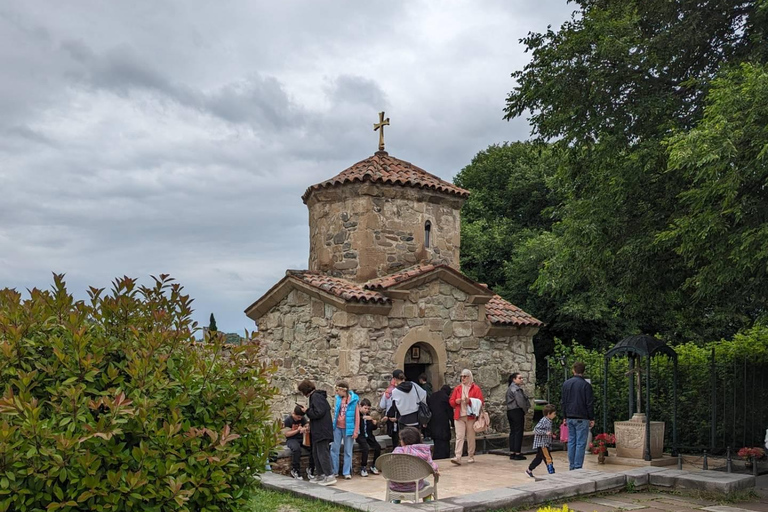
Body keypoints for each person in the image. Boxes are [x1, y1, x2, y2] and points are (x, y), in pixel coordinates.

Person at [298, 379, 336, 486]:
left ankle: (329, 475)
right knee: (316, 453)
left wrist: (307, 411)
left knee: (323, 453)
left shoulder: (316, 397)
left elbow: (318, 413)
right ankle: (321, 474)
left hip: (322, 431)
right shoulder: (316, 397)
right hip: (318, 431)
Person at [389, 426, 439, 503]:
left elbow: (389, 464)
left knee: (399, 484)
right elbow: (431, 466)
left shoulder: (397, 451)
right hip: (415, 486)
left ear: (404, 440)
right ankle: (427, 506)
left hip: (395, 486)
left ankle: (395, 505)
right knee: (427, 485)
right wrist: (436, 468)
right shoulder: (424, 451)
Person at [561, 361, 595, 470]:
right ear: (583, 371)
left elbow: (563, 401)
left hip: (570, 416)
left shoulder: (566, 384)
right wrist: (591, 417)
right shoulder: (586, 385)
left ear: (573, 370)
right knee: (580, 443)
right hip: (582, 416)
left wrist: (565, 416)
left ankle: (572, 466)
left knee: (571, 441)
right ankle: (578, 466)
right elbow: (589, 403)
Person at [449, 369, 484, 465]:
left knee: (470, 436)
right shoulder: (457, 388)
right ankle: (458, 456)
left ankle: (471, 455)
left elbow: (481, 401)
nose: (462, 378)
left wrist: (470, 401)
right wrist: (456, 401)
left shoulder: (475, 388)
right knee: (459, 436)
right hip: (459, 416)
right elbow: (451, 402)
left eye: (465, 376)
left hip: (470, 416)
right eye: (461, 376)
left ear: (469, 377)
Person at [330, 381, 360, 480]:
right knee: (334, 449)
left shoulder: (354, 400)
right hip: (337, 427)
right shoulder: (338, 399)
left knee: (348, 450)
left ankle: (346, 471)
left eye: (338, 390)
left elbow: (357, 416)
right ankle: (334, 470)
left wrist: (356, 430)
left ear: (343, 390)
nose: (337, 392)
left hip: (349, 428)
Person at [283, 405, 315, 480]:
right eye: (298, 417)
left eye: (301, 417)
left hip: (302, 438)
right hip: (292, 439)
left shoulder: (303, 419)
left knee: (313, 448)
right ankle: (295, 470)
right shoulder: (288, 420)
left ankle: (311, 469)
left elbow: (307, 425)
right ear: (294, 414)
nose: (299, 419)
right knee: (296, 449)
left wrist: (306, 428)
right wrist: (297, 430)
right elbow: (286, 434)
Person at [525, 404, 557, 478]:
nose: (555, 415)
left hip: (545, 443)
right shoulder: (544, 420)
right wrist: (545, 433)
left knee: (539, 458)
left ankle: (529, 470)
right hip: (542, 444)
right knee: (548, 458)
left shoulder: (549, 420)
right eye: (554, 414)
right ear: (549, 414)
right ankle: (552, 472)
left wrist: (551, 435)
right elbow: (536, 430)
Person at [506, 372, 530, 461]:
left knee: (513, 431)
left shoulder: (510, 388)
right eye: (519, 378)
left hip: (510, 411)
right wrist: (525, 410)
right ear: (514, 379)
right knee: (518, 432)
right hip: (516, 411)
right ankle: (517, 452)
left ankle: (512, 451)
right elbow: (520, 401)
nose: (521, 379)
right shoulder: (516, 389)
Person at [427, 384, 454, 459]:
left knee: (436, 441)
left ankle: (437, 456)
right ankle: (444, 456)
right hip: (443, 423)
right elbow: (450, 412)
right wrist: (453, 423)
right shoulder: (446, 398)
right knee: (444, 442)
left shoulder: (432, 396)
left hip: (433, 422)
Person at [356, 398, 381, 476]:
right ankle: (363, 467)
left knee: (378, 447)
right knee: (365, 448)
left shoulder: (369, 416)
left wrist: (374, 424)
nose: (366, 410)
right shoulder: (358, 415)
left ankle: (374, 465)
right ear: (360, 407)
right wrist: (363, 418)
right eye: (365, 408)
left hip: (369, 436)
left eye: (368, 408)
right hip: (360, 436)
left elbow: (373, 428)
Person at [380, 377, 400, 449]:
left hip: (389, 416)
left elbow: (382, 406)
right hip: (399, 415)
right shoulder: (400, 392)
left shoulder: (387, 393)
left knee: (393, 435)